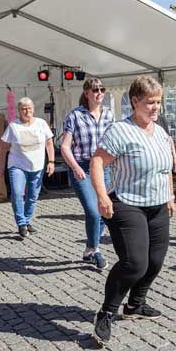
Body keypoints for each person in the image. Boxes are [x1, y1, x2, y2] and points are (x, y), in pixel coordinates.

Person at [89, 76, 175, 345]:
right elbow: (97, 163)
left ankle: (136, 304)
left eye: (158, 102)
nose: (155, 107)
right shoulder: (120, 131)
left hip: (158, 204)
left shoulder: (159, 130)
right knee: (134, 263)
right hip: (127, 203)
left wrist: (170, 195)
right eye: (150, 102)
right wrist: (102, 197)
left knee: (155, 261)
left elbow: (166, 167)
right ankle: (106, 312)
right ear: (134, 101)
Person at [60, 78, 115, 270]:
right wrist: (75, 168)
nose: (99, 92)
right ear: (87, 93)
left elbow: (114, 142)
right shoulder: (75, 115)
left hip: (102, 167)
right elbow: (65, 147)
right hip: (82, 166)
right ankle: (95, 251)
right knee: (92, 211)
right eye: (95, 89)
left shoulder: (109, 114)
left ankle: (90, 249)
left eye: (102, 89)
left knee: (105, 211)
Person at [0, 97, 54, 238]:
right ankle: (21, 223)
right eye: (23, 109)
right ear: (19, 111)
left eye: (29, 108)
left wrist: (51, 161)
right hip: (17, 165)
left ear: (33, 109)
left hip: (37, 166)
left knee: (33, 196)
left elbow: (49, 143)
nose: (27, 111)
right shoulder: (13, 126)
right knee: (17, 193)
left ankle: (27, 220)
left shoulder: (41, 123)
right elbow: (3, 148)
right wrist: (0, 166)